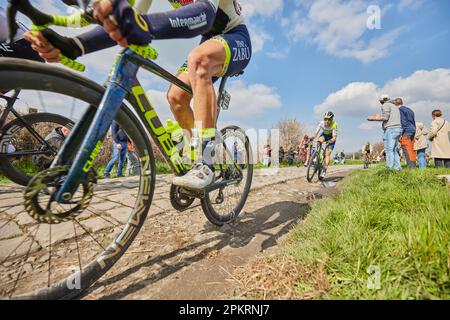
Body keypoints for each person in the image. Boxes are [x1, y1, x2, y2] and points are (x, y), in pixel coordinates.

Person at [24, 0, 252, 191]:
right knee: (175, 97)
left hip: (235, 36)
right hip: (209, 41)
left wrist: (144, 25)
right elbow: (123, 21)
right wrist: (74, 46)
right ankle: (197, 153)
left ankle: (207, 163)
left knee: (200, 61)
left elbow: (205, 13)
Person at [368, 94, 402, 170]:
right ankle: (398, 168)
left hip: (391, 129)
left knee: (389, 150)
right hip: (398, 129)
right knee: (394, 150)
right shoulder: (394, 106)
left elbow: (386, 117)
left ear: (381, 101)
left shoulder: (385, 105)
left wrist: (374, 118)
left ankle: (389, 168)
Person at [313, 111, 338, 178]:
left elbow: (334, 138)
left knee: (327, 154)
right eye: (325, 119)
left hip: (331, 137)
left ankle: (324, 171)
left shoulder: (334, 124)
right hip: (324, 135)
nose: (326, 121)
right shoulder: (321, 123)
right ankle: (316, 156)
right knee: (319, 141)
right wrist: (312, 138)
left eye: (329, 120)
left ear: (332, 120)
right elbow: (316, 133)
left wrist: (330, 141)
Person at [395, 98, 417, 168]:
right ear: (402, 102)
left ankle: (411, 167)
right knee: (411, 149)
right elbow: (413, 121)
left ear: (395, 104)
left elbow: (403, 122)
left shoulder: (400, 110)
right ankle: (413, 165)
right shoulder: (409, 110)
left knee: (406, 149)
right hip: (412, 130)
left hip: (406, 131)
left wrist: (401, 133)